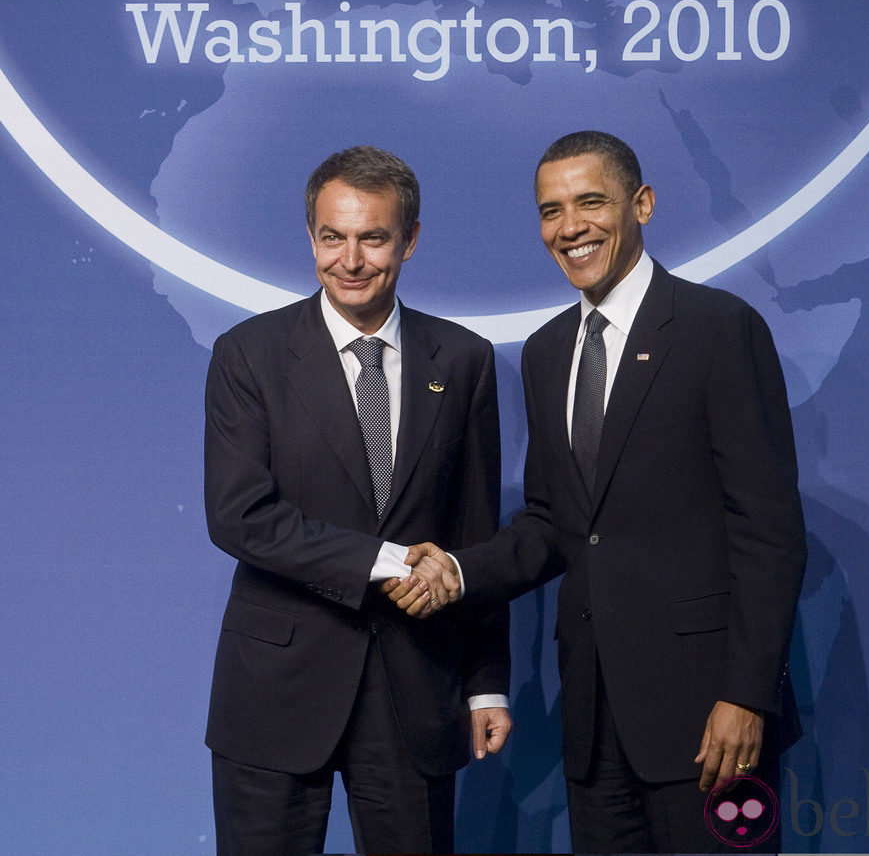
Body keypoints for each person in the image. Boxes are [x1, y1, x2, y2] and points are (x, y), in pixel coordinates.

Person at [388, 131, 806, 852]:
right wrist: (458, 570)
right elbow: (555, 521)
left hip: (708, 718)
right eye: (551, 211)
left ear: (641, 204)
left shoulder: (718, 330)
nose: (570, 227)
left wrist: (745, 695)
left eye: (590, 202)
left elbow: (768, 531)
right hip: (593, 721)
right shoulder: (549, 352)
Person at [203, 145, 512, 855]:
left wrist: (487, 683)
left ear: (409, 239)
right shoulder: (248, 354)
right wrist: (385, 561)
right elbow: (239, 515)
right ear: (311, 237)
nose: (351, 259)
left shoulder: (463, 360)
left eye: (372, 237)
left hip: (414, 687)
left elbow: (474, 535)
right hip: (276, 691)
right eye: (332, 237)